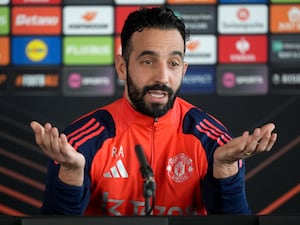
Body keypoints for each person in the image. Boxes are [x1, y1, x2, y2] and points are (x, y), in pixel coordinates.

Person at [30, 7, 277, 216]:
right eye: (148, 61)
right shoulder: (79, 144)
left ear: (184, 70)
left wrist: (225, 169)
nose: (162, 77)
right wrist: (72, 173)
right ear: (122, 67)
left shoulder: (213, 141)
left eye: (173, 64)